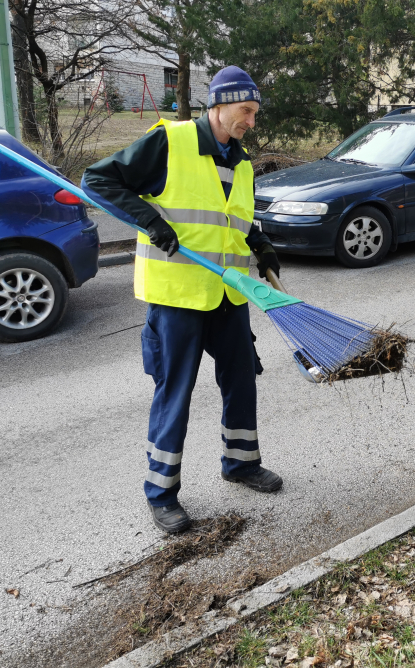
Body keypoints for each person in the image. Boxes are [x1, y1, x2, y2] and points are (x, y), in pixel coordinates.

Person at [82, 66, 283, 535]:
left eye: (254, 113)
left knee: (241, 379)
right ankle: (161, 493)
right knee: (175, 392)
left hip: (228, 292)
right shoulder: (170, 142)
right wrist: (149, 222)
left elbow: (228, 218)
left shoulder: (240, 160)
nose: (251, 121)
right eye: (245, 111)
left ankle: (240, 463)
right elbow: (99, 180)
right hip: (177, 298)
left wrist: (260, 245)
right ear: (219, 105)